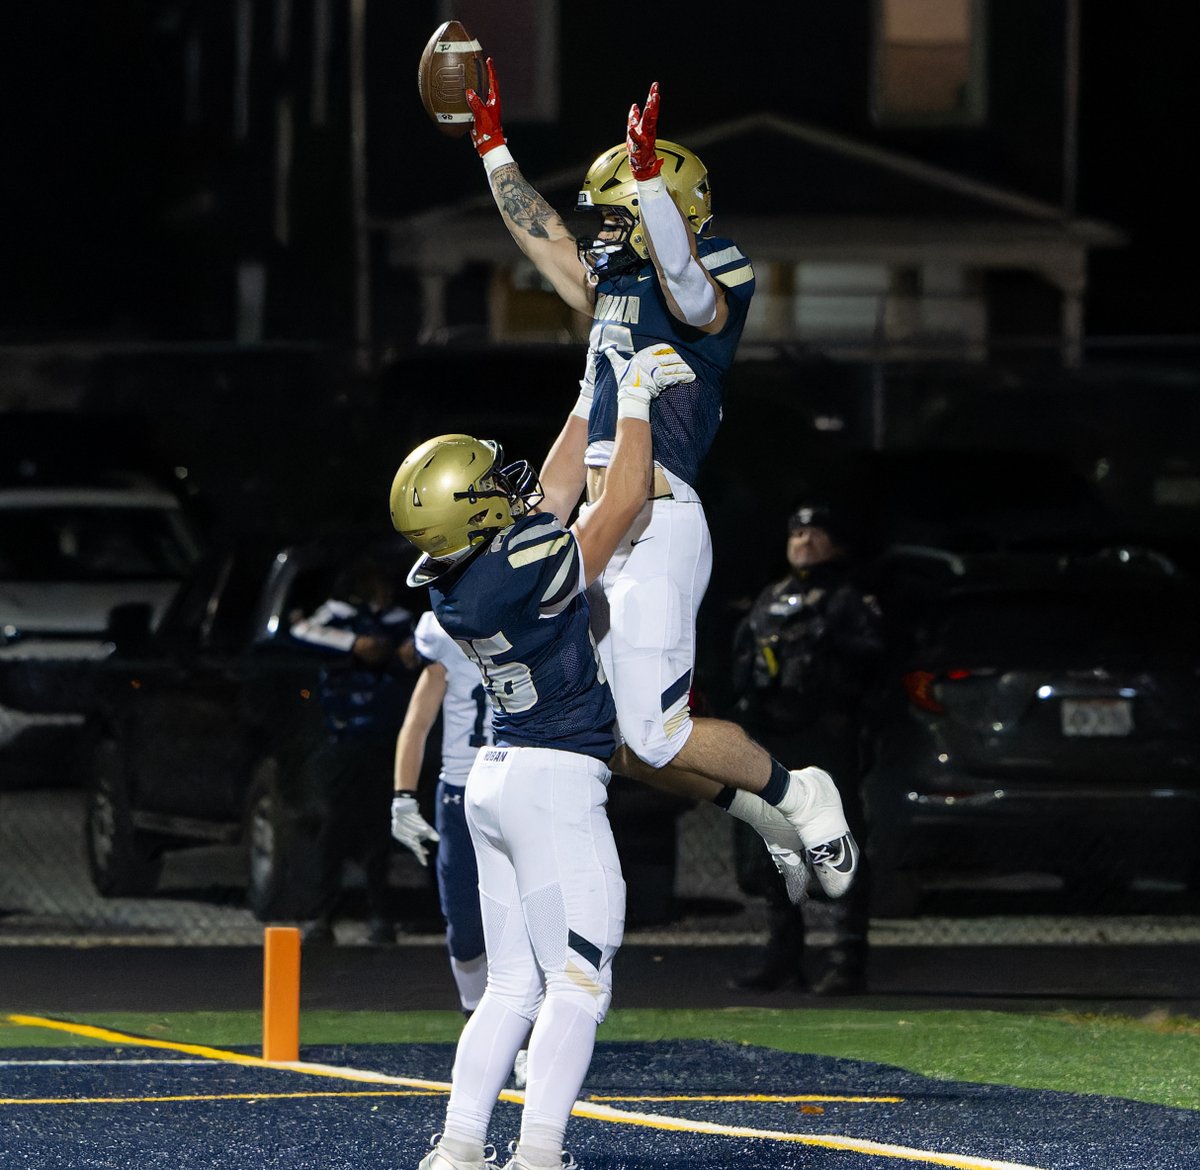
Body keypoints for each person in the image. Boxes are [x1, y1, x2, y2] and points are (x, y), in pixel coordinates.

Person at [465, 62, 859, 899]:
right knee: (603, 735)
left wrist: (646, 181)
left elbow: (688, 287)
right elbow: (547, 247)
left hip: (656, 518)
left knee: (656, 727)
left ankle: (802, 790)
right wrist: (496, 151)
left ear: (664, 212)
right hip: (604, 516)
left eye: (619, 217)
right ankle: (759, 811)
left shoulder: (715, 275)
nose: (601, 235)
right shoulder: (613, 294)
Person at [388, 345, 675, 1170]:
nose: (507, 490)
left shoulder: (461, 571)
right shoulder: (515, 570)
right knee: (580, 981)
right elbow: (614, 505)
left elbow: (545, 493)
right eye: (486, 487)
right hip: (552, 780)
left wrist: (589, 394)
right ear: (472, 516)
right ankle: (541, 1151)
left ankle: (461, 1148)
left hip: (495, 775)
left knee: (513, 987)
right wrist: (639, 404)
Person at [730, 502, 885, 994]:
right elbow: (742, 659)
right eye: (798, 533)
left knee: (837, 843)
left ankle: (847, 959)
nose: (805, 541)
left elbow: (876, 662)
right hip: (776, 738)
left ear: (836, 544)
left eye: (817, 533)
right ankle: (784, 955)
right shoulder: (770, 598)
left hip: (829, 738)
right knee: (776, 843)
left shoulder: (849, 600)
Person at [290, 554, 417, 945]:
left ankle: (381, 917)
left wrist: (402, 653)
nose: (385, 590)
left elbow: (414, 651)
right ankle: (322, 916)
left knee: (380, 831)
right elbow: (301, 634)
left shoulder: (398, 621)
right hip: (342, 740)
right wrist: (354, 645)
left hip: (383, 740)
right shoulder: (336, 617)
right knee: (334, 827)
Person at [391, 608, 492, 1013]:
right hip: (461, 790)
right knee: (465, 928)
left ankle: (527, 1032)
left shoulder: (541, 610)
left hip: (522, 784)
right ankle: (475, 1015)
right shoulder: (443, 630)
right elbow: (416, 723)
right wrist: (403, 795)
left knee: (529, 919)